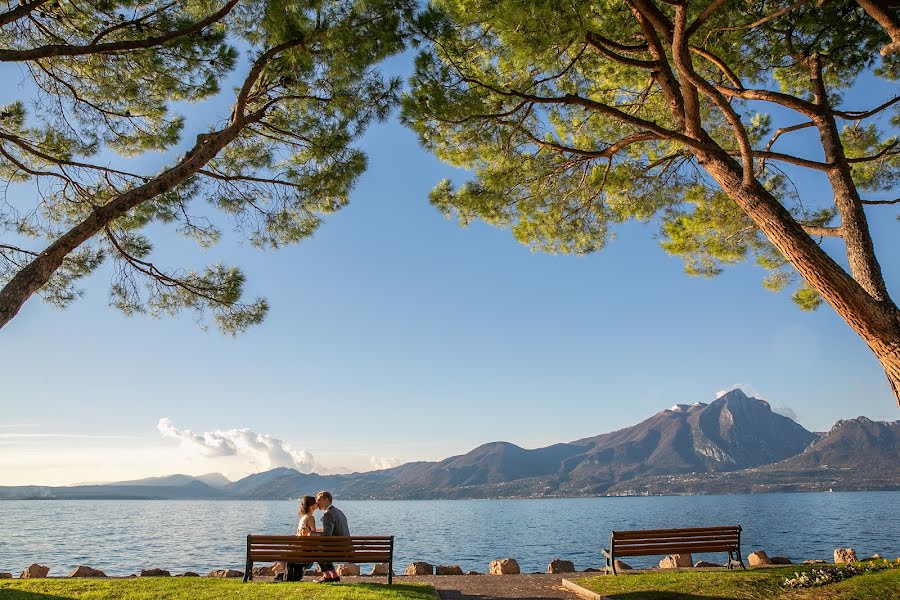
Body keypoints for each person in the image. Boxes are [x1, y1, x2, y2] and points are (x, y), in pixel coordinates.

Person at [315, 490, 350, 583]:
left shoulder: (328, 514)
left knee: (316, 549)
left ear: (326, 500)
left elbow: (327, 536)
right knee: (324, 549)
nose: (317, 502)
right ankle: (334, 575)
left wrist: (313, 535)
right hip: (346, 548)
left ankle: (326, 576)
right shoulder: (339, 512)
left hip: (337, 550)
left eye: (319, 500)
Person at [283, 495, 318, 582]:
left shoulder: (303, 517)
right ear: (311, 506)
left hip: (298, 550)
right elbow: (313, 535)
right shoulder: (310, 517)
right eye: (315, 502)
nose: (317, 504)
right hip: (305, 553)